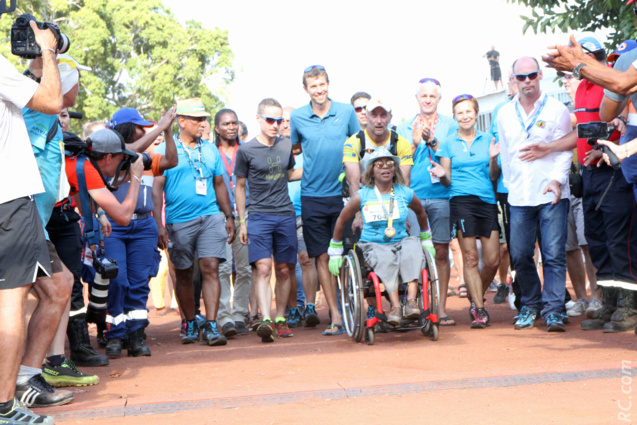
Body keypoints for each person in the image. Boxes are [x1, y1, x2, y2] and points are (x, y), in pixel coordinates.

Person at [0, 19, 67, 420]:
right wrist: (47, 51)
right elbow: (52, 101)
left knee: (55, 287)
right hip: (8, 197)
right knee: (10, 303)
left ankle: (20, 382)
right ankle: (6, 405)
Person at [496, 57, 573, 332]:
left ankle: (553, 309)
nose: (527, 81)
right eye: (521, 77)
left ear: (540, 75)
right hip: (518, 196)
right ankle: (530, 304)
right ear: (513, 80)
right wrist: (510, 183)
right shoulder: (504, 113)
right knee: (519, 255)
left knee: (553, 255)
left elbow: (566, 149)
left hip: (550, 193)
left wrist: (557, 180)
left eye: (531, 75)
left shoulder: (556, 109)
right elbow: (505, 153)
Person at [153, 98, 235, 347]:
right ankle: (189, 320)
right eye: (198, 119)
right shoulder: (164, 150)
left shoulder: (210, 149)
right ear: (182, 122)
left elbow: (220, 184)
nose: (203, 123)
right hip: (179, 221)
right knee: (185, 274)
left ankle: (210, 324)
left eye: (204, 119)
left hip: (211, 216)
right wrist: (159, 224)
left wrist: (229, 216)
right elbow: (157, 190)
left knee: (211, 266)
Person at [100, 106, 178, 358]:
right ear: (125, 129)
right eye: (139, 126)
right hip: (115, 227)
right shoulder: (110, 152)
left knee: (138, 283)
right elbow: (128, 150)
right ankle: (114, 334)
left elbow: (171, 161)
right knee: (118, 280)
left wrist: (167, 133)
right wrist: (160, 126)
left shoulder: (144, 158)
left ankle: (135, 335)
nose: (144, 130)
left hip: (143, 226)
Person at [290, 65, 360, 335]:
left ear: (328, 84)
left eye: (322, 85)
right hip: (311, 198)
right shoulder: (297, 117)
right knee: (321, 257)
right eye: (313, 86)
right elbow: (296, 150)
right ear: (306, 89)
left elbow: (358, 146)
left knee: (345, 255)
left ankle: (351, 306)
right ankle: (336, 317)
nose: (318, 90)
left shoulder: (345, 112)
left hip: (343, 197)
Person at [329, 147, 434, 326]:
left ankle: (411, 302)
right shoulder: (362, 196)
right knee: (385, 257)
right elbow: (341, 220)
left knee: (414, 247)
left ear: (395, 170)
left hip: (401, 240)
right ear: (372, 170)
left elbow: (421, 214)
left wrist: (426, 238)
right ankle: (394, 307)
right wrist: (335, 249)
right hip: (373, 244)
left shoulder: (405, 193)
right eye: (379, 164)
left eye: (390, 164)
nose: (385, 167)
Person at [430, 94, 500, 328]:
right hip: (460, 201)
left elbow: (493, 176)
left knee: (492, 260)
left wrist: (493, 160)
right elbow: (447, 181)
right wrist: (441, 175)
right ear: (455, 116)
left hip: (486, 201)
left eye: (468, 111)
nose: (465, 116)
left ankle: (474, 293)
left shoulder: (488, 138)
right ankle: (479, 309)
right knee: (470, 257)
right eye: (460, 112)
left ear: (476, 113)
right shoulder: (448, 143)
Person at [235, 98, 302, 342]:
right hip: (259, 216)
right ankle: (265, 319)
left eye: (280, 120)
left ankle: (281, 318)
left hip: (285, 214)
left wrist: (320, 168)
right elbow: (239, 187)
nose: (276, 125)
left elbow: (289, 173)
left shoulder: (286, 147)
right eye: (270, 120)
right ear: (259, 119)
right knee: (263, 268)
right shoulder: (246, 150)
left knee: (285, 270)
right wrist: (242, 221)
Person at [396, 78, 459, 326]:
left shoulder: (451, 125)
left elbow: (451, 155)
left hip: (442, 196)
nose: (428, 100)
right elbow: (400, 163)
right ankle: (414, 304)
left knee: (441, 251)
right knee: (413, 251)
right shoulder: (404, 127)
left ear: (439, 99)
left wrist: (432, 141)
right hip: (413, 197)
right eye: (424, 96)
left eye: (432, 96)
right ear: (417, 98)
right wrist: (413, 142)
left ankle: (440, 308)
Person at [213, 108, 252, 337]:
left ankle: (239, 315)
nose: (231, 127)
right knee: (223, 267)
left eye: (234, 123)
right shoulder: (209, 152)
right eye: (226, 124)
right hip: (219, 215)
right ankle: (224, 317)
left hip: (245, 214)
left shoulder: (246, 151)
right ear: (217, 128)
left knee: (245, 268)